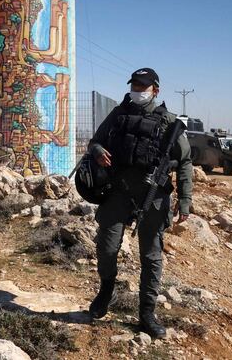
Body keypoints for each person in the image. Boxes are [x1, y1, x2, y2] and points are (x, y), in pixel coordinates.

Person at [87, 68, 192, 339]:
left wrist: (185, 200)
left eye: (142, 86)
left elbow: (185, 161)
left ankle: (147, 314)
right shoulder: (119, 114)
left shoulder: (169, 121)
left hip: (153, 196)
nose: (137, 89)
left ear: (155, 90)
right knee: (106, 248)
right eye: (134, 84)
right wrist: (97, 151)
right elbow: (95, 141)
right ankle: (106, 292)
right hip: (118, 192)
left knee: (151, 256)